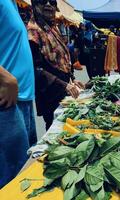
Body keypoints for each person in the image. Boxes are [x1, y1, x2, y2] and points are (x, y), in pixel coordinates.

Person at [27, 0, 84, 130]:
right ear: (35, 5)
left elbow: (62, 56)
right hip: (49, 91)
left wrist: (72, 78)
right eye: (42, 1)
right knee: (54, 128)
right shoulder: (32, 32)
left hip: (63, 88)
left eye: (52, 2)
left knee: (68, 125)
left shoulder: (52, 27)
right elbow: (36, 70)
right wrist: (64, 85)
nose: (48, 5)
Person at [0, 0, 36, 188]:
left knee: (26, 170)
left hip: (22, 100)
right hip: (6, 102)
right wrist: (6, 78)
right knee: (12, 178)